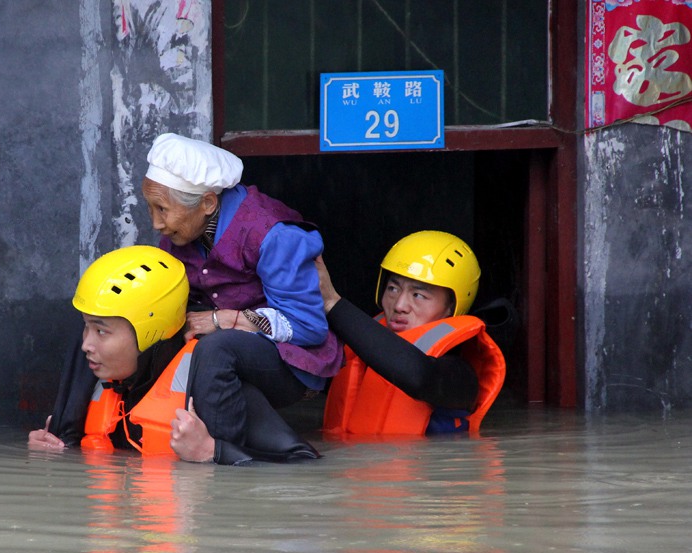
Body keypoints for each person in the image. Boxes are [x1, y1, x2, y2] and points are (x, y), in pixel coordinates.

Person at [142, 132, 343, 464]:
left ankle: (221, 465)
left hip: (292, 359)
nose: (155, 222)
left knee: (217, 348)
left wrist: (227, 320)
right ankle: (64, 433)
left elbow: (309, 327)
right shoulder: (180, 232)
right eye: (150, 207)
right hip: (228, 354)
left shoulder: (271, 234)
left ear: (207, 202)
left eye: (162, 209)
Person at [28, 244, 319, 465]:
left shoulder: (209, 381)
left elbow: (304, 463)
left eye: (102, 331)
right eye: (86, 328)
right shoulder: (99, 377)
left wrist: (210, 451)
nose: (86, 345)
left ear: (149, 332)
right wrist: (52, 449)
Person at [316, 230, 506, 436]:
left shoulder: (460, 377)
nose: (399, 305)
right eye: (392, 289)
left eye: (418, 295)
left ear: (451, 308)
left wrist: (332, 303)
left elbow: (419, 376)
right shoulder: (351, 352)